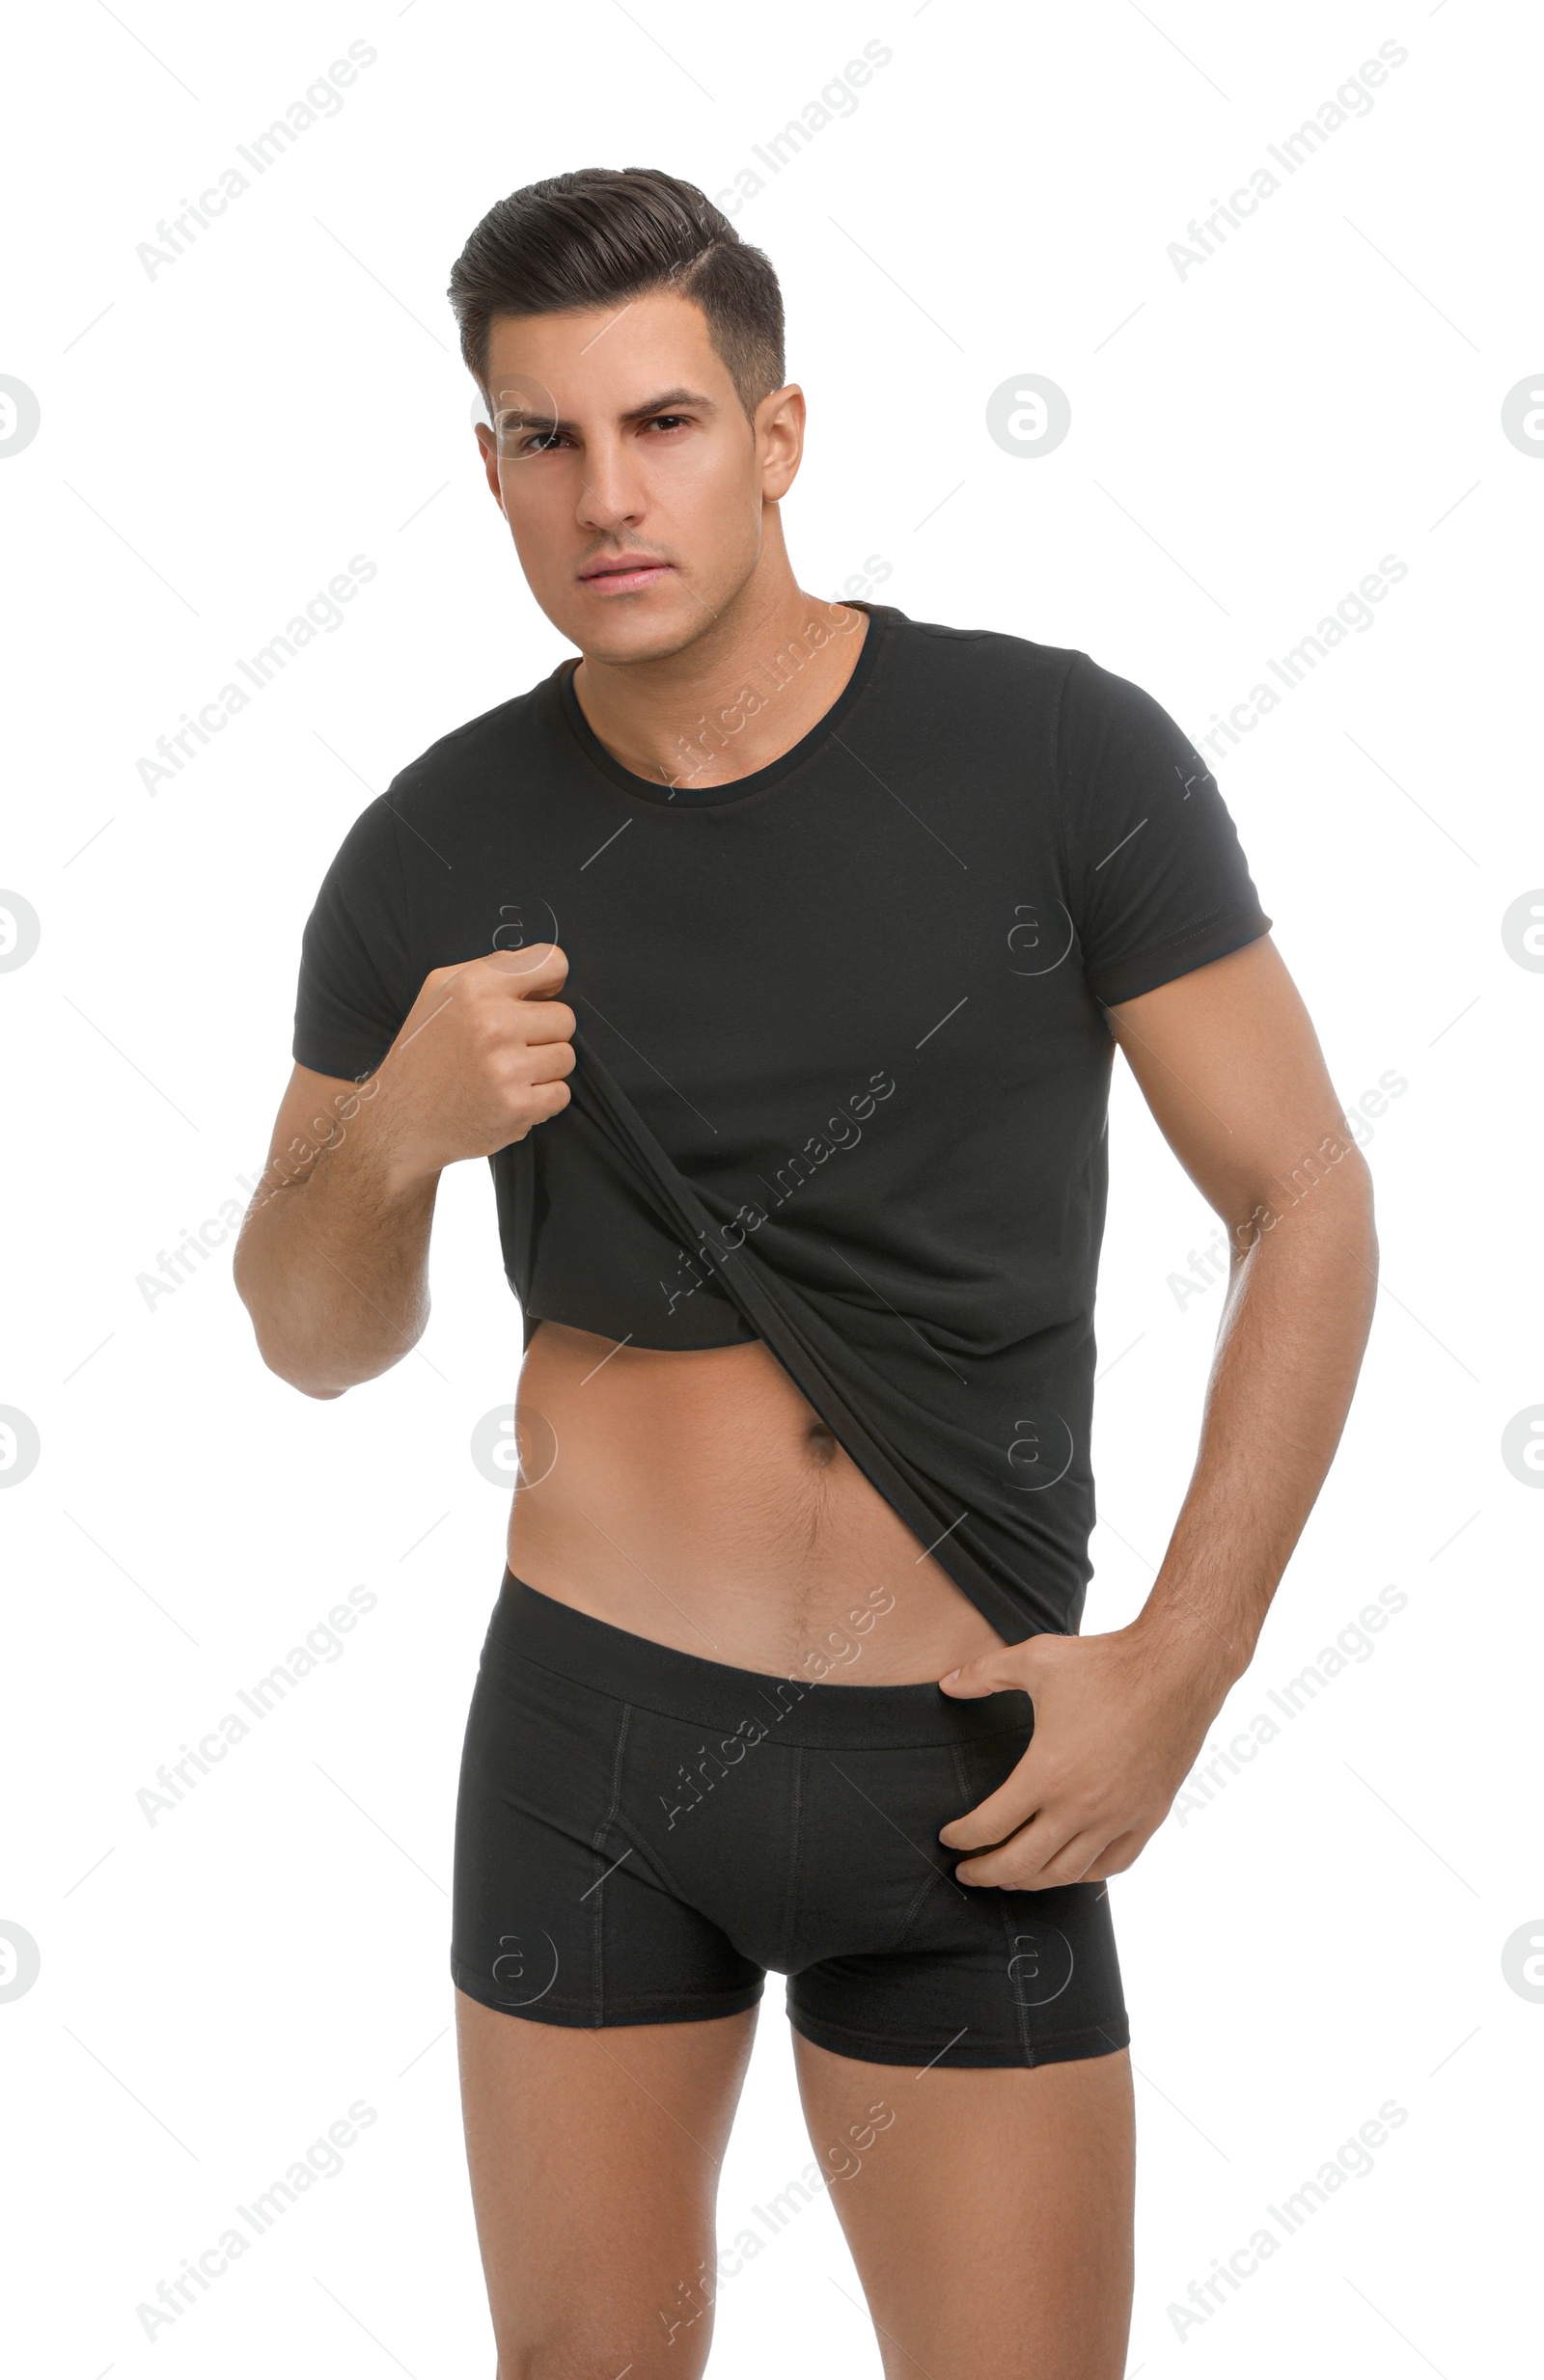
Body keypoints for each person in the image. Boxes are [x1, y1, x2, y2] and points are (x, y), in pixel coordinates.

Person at [233, 166, 1377, 2380]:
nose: (602, 494)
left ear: (771, 436)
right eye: (539, 438)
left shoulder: (1055, 756)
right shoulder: (425, 849)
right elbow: (312, 1338)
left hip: (972, 1763)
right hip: (587, 1735)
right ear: (485, 466)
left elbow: (1304, 1196)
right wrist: (393, 1130)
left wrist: (1185, 1661)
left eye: (658, 423)